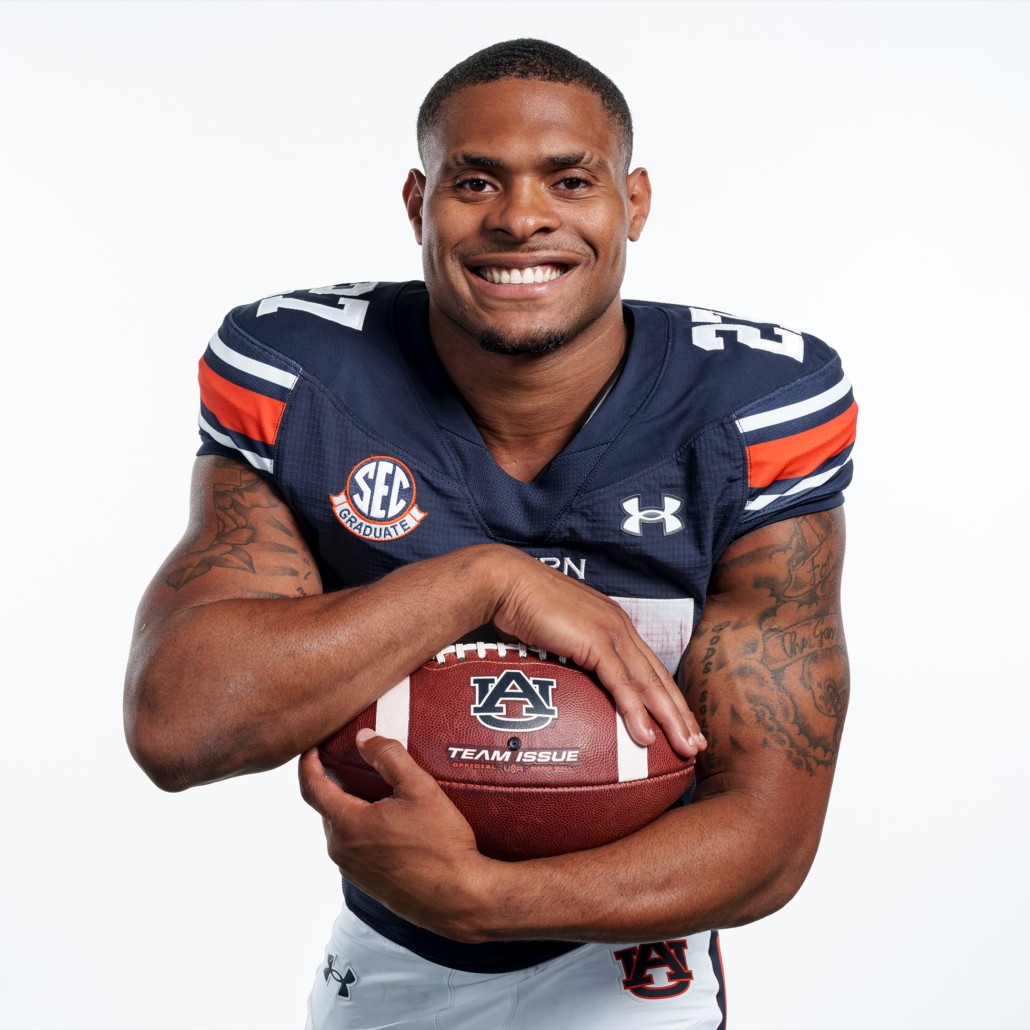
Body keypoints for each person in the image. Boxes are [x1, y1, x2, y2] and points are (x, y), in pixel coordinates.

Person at [125, 37, 855, 1030]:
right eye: (475, 182)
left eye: (569, 180)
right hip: (387, 947)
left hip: (631, 957)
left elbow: (768, 835)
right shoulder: (302, 373)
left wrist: (485, 900)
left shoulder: (750, 407)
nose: (520, 218)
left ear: (632, 201)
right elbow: (178, 726)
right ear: (417, 203)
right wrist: (483, 581)